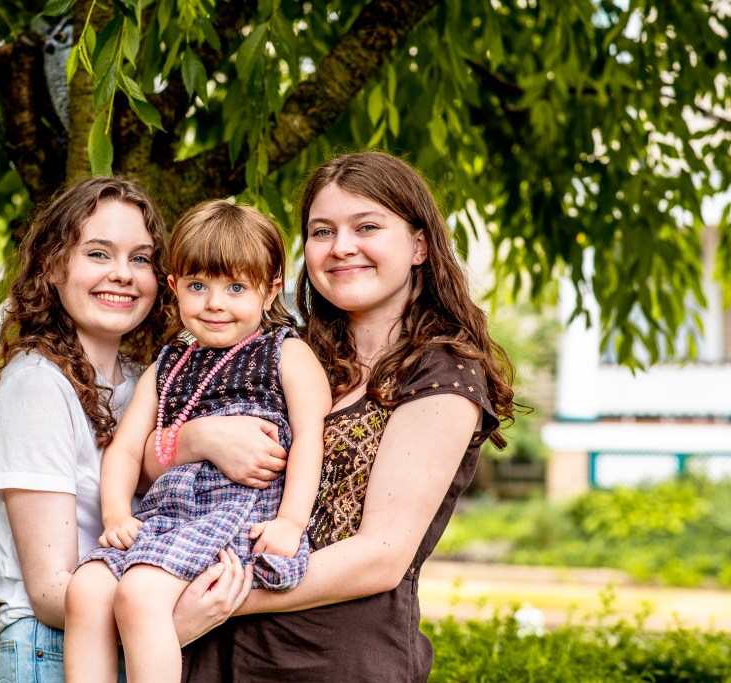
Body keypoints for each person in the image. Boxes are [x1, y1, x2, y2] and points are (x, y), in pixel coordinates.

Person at [169, 150, 517, 682]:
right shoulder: (282, 354)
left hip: (334, 662)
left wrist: (218, 598)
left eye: (367, 226)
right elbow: (149, 465)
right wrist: (198, 438)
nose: (342, 247)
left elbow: (380, 556)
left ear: (419, 245)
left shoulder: (440, 373)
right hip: (215, 654)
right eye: (322, 231)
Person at [0, 178, 250, 683]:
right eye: (99, 254)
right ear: (53, 266)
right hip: (51, 651)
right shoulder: (37, 387)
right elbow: (49, 589)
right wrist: (172, 616)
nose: (123, 275)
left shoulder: (145, 378)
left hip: (127, 641)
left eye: (141, 258)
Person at [63, 200, 331, 683]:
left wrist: (292, 521)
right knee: (85, 589)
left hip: (236, 513)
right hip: (166, 517)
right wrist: (117, 513)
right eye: (198, 286)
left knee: (139, 595)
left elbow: (311, 438)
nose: (215, 303)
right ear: (174, 288)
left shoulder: (286, 354)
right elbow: (125, 449)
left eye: (235, 287)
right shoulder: (168, 365)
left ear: (270, 292)